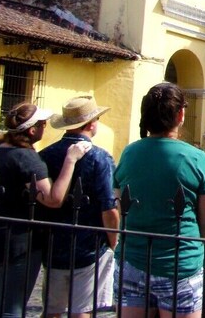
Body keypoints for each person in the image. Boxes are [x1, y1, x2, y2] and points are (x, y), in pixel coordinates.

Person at [0, 102, 90, 318]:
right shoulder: (26, 158)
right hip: (18, 242)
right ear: (32, 130)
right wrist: (71, 160)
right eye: (42, 124)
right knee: (11, 307)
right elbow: (52, 199)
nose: (44, 127)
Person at [113, 83, 205, 318]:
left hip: (133, 259)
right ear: (180, 115)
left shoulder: (129, 153)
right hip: (180, 262)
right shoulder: (196, 157)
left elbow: (119, 206)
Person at [39, 96, 119, 318]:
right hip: (90, 245)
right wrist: (114, 241)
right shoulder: (100, 157)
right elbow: (108, 207)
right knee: (82, 310)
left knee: (52, 310)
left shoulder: (45, 154)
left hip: (54, 242)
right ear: (92, 123)